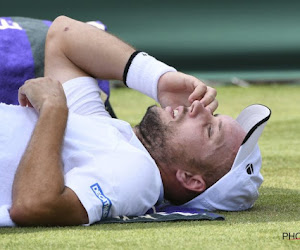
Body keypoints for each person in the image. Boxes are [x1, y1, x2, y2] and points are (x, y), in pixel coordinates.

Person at [0, 16, 270, 227]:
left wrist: (53, 108)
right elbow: (63, 37)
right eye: (213, 113)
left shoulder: (138, 175)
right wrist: (159, 79)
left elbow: (35, 206)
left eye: (210, 129)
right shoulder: (111, 136)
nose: (198, 106)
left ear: (189, 178)